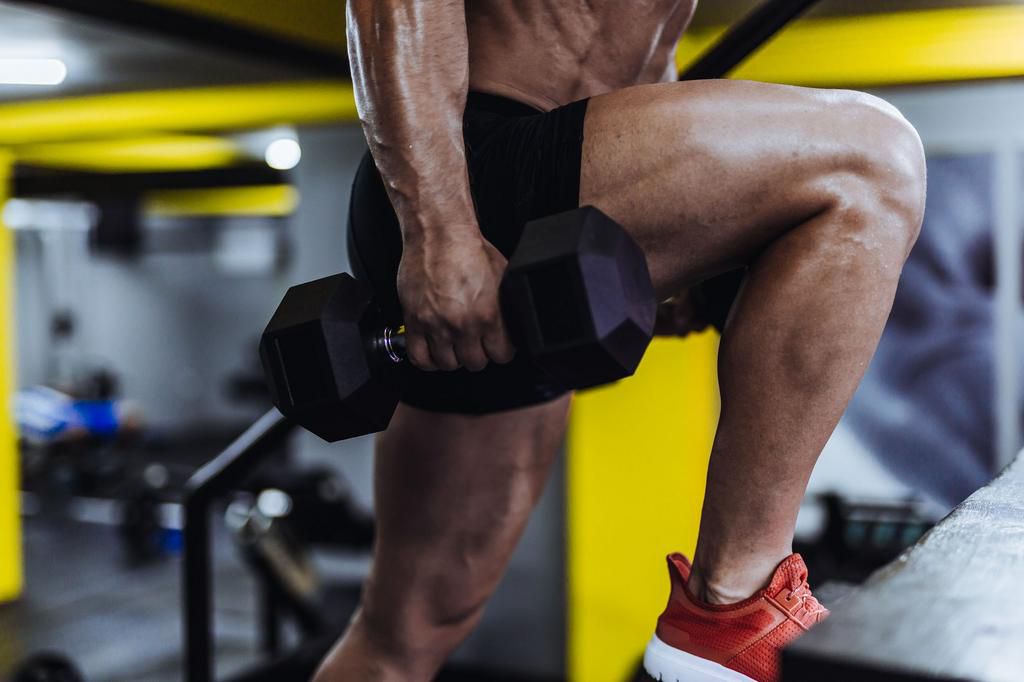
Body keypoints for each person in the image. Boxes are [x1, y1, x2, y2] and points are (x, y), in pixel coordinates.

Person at [316, 1, 926, 681]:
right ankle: (732, 607)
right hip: (474, 168)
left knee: (413, 625)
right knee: (872, 162)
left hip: (568, 211)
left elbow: (645, 45)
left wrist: (680, 248)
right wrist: (437, 226)